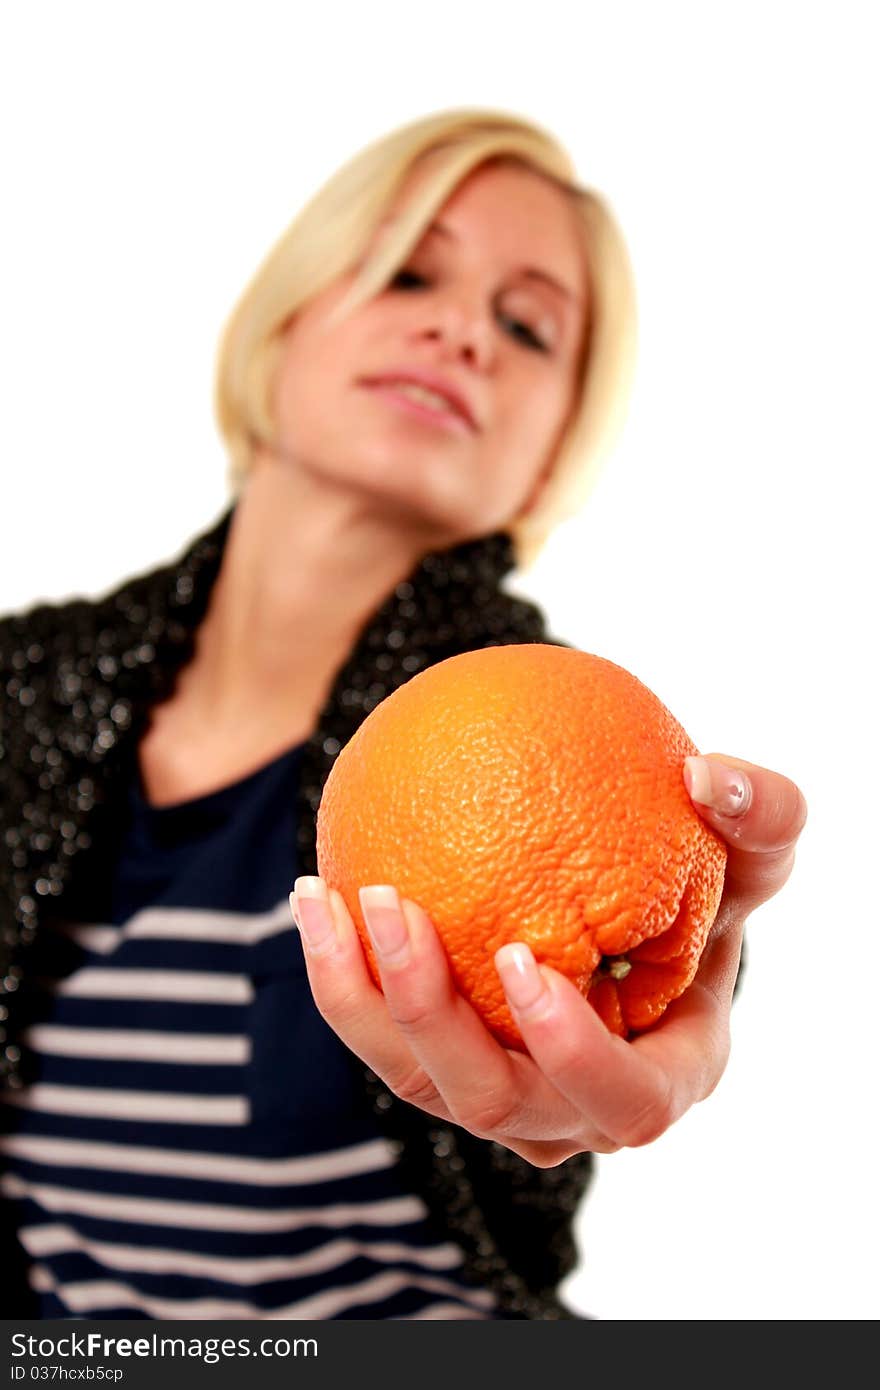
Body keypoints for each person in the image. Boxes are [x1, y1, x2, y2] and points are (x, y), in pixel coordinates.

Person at [0, 106, 807, 1320]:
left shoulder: (569, 736)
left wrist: (668, 996)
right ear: (279, 330)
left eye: (526, 327)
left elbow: (632, 954)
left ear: (548, 458)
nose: (459, 330)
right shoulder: (24, 686)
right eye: (411, 271)